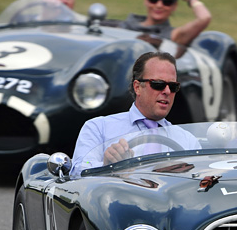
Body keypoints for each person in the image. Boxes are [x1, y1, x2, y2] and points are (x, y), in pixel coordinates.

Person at [70, 51, 199, 175]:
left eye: (173, 86)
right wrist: (105, 166)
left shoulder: (188, 140)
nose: (166, 91)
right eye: (158, 84)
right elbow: (78, 171)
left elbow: (200, 183)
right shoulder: (99, 128)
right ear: (137, 87)